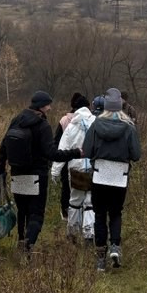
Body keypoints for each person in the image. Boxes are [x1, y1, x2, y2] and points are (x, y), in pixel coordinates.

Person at [0, 90, 80, 255]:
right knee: (36, 214)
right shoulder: (42, 126)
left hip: (17, 174)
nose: (49, 108)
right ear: (41, 106)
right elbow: (52, 154)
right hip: (37, 175)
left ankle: (21, 241)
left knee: (22, 211)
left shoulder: (16, 120)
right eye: (48, 105)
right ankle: (28, 245)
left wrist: (0, 170)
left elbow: (4, 146)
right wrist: (75, 153)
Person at [82, 87, 142, 272]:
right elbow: (136, 155)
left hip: (100, 173)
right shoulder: (129, 127)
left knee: (99, 215)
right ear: (121, 108)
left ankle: (100, 258)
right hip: (120, 176)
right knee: (116, 213)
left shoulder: (96, 125)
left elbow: (87, 150)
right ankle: (115, 246)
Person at [52, 94, 96, 241]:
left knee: (75, 201)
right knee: (90, 202)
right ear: (88, 107)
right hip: (93, 167)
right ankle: (89, 234)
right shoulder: (96, 123)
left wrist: (55, 171)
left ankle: (72, 233)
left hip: (76, 168)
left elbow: (62, 148)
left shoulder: (71, 126)